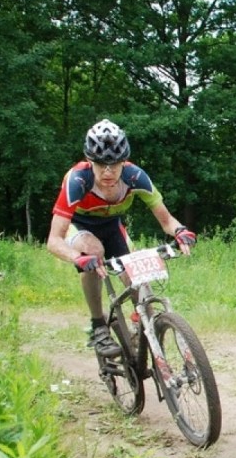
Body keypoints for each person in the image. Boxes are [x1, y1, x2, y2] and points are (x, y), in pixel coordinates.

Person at [46, 119, 197, 357]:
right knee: (93, 252)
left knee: (136, 275)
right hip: (78, 227)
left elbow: (167, 220)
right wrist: (77, 258)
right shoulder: (77, 180)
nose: (108, 172)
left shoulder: (136, 177)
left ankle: (142, 324)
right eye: (101, 165)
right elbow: (54, 240)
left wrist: (181, 232)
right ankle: (98, 326)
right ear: (90, 161)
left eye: (114, 165)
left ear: (124, 161)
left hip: (112, 226)